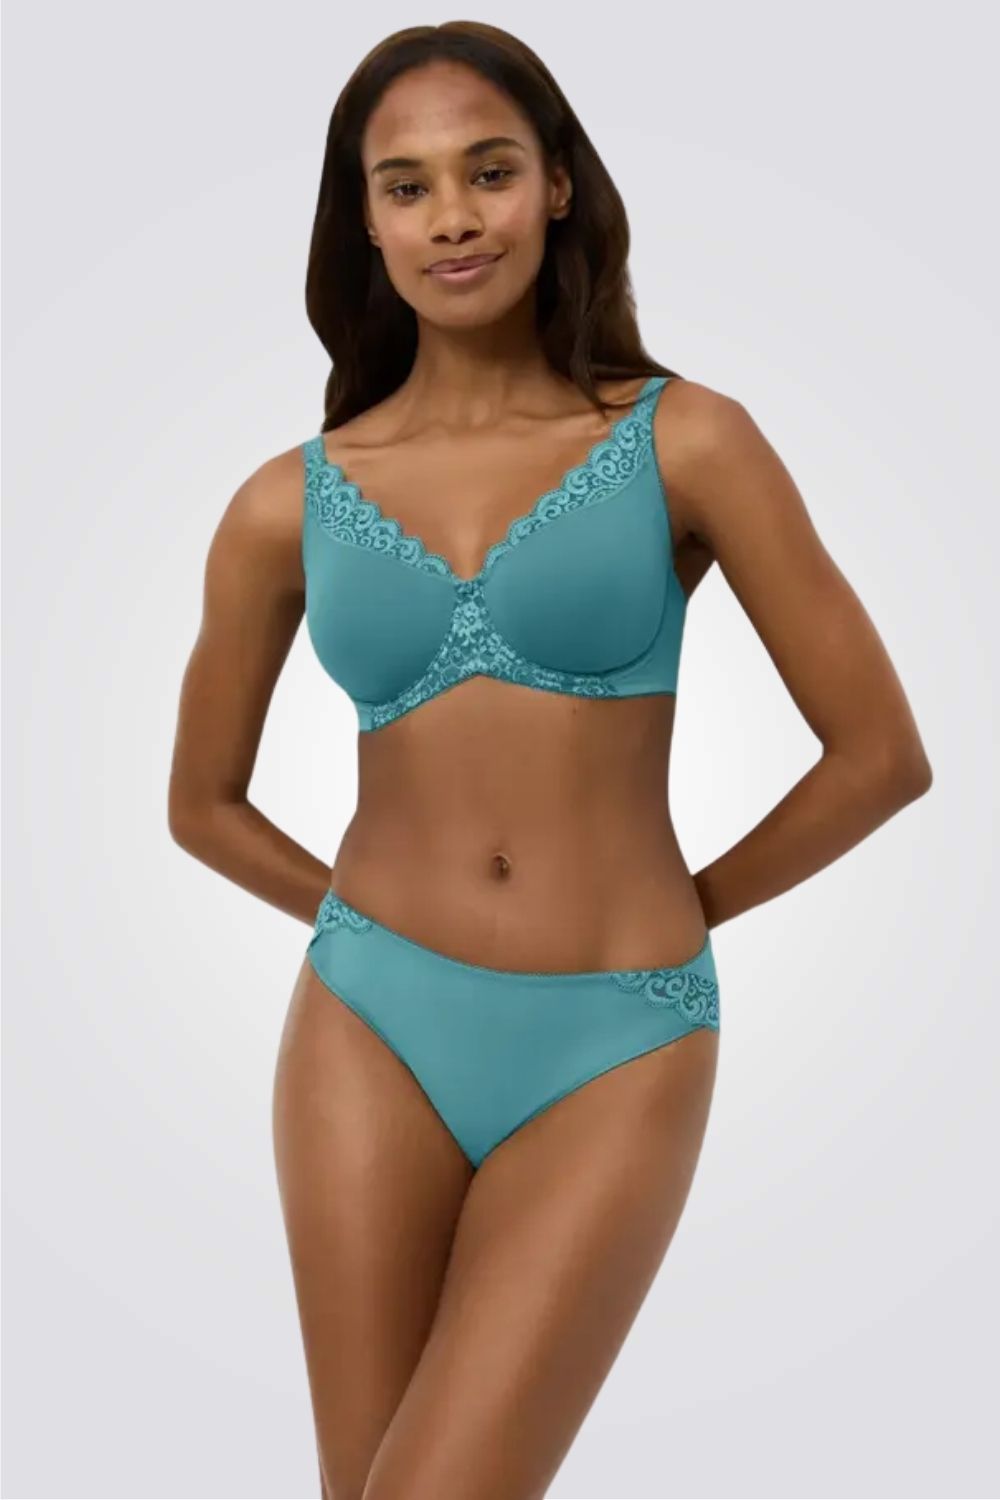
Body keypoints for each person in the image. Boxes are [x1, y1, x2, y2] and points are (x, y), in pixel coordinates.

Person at [167, 21, 933, 1500]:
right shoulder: (284, 504)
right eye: (406, 186)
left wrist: (690, 906)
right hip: (369, 1027)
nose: (452, 217)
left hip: (618, 1033)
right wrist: (370, 926)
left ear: (560, 185)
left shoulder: (689, 441)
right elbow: (199, 805)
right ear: (364, 220)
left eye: (491, 171)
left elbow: (880, 755)